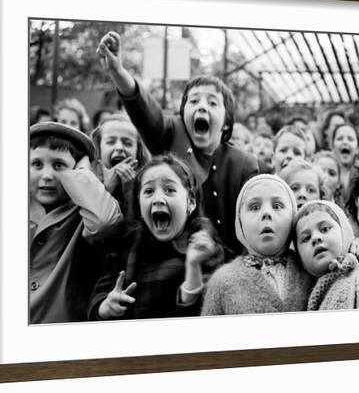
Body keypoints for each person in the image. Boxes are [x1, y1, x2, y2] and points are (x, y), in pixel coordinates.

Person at [97, 31, 259, 259]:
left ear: (226, 123)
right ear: (183, 114)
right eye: (193, 101)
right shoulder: (172, 133)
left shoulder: (244, 164)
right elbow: (146, 111)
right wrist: (117, 71)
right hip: (173, 264)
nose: (201, 106)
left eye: (212, 102)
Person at [88, 155, 224, 320]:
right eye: (149, 191)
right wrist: (105, 307)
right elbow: (98, 297)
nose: (158, 199)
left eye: (169, 190)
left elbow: (208, 314)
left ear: (190, 203)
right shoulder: (126, 243)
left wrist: (193, 266)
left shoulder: (204, 244)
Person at [29, 122, 123, 323]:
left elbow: (104, 222)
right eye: (37, 164)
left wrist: (83, 173)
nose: (47, 176)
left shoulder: (82, 212)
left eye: (59, 165)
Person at [201, 175, 314, 315]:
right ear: (240, 222)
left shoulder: (310, 269)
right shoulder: (222, 281)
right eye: (254, 207)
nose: (266, 213)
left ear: (293, 216)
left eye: (277, 206)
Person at [293, 200, 359, 310]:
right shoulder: (302, 303)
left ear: (345, 234)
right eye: (306, 238)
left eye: (325, 229)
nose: (315, 238)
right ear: (300, 259)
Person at [91, 113, 150, 219]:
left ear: (138, 151)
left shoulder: (147, 183)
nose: (119, 147)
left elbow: (136, 230)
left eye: (127, 143)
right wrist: (107, 189)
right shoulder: (87, 180)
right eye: (110, 142)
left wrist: (129, 193)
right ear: (98, 149)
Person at [331, 123, 359, 204]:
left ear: (357, 148)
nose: (345, 142)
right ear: (332, 147)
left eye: (350, 139)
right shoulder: (325, 171)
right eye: (340, 138)